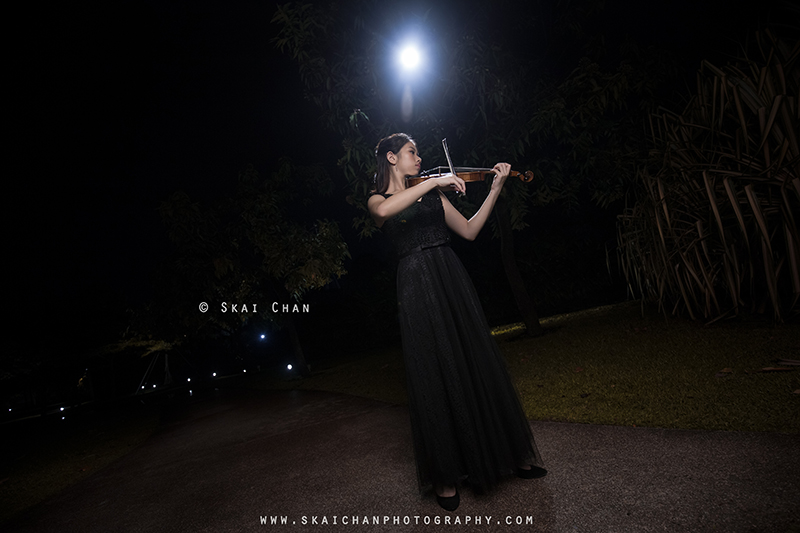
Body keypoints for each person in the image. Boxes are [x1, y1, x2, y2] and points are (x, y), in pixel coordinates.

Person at [367, 133, 546, 512]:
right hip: (416, 284)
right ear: (391, 158)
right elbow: (385, 214)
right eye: (412, 152)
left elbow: (468, 230)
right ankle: (446, 477)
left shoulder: (432, 193)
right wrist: (436, 180)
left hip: (450, 275)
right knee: (433, 371)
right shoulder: (378, 199)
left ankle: (509, 456)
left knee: (474, 358)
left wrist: (495, 188)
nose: (419, 158)